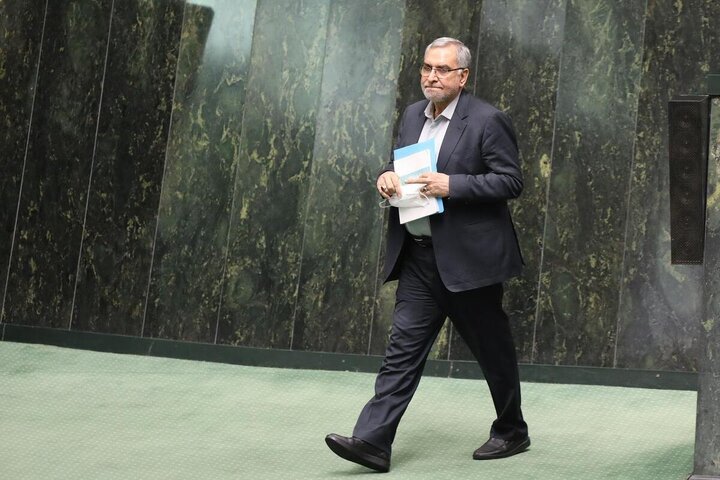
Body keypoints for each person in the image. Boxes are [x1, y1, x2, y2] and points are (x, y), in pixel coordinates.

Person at [325, 37, 529, 473]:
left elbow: (511, 181)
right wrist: (386, 176)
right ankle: (373, 442)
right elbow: (398, 165)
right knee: (401, 351)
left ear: (463, 76)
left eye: (442, 69)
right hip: (418, 257)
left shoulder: (488, 120)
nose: (432, 76)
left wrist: (451, 185)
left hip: (469, 263)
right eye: (427, 67)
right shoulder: (412, 114)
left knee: (493, 352)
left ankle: (512, 429)